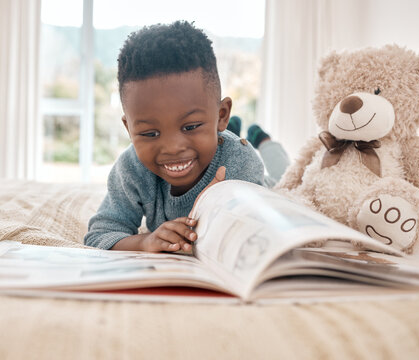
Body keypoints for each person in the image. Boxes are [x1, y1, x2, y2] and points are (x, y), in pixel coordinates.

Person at [84, 21, 289, 252]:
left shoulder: (240, 163)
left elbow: (251, 233)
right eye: (150, 133)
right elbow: (99, 235)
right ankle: (222, 130)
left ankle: (261, 139)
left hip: (262, 175)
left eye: (190, 126)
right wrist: (144, 242)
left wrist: (211, 202)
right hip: (214, 139)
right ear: (129, 129)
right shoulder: (132, 169)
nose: (172, 148)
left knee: (286, 176)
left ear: (221, 114)